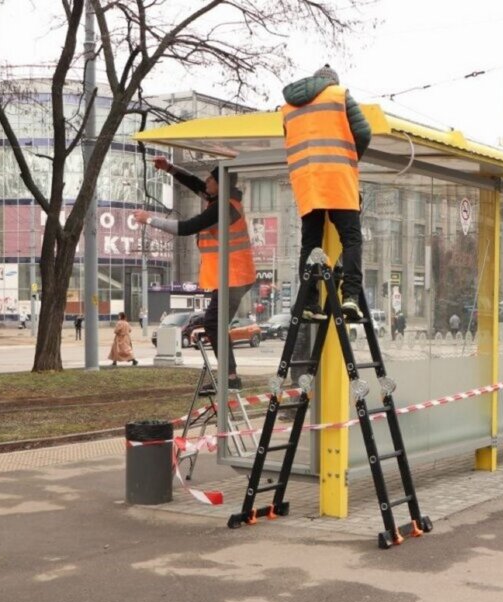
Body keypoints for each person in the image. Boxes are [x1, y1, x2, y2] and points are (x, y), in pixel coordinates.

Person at [134, 160, 255, 391]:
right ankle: (230, 377)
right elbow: (193, 182)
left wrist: (149, 219)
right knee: (214, 323)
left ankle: (231, 379)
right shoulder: (218, 199)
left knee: (213, 323)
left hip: (236, 276)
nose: (206, 182)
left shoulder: (223, 208)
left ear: (221, 184)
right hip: (231, 276)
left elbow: (186, 227)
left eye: (211, 179)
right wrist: (169, 167)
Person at [281, 64, 372, 321]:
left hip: (307, 181)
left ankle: (309, 302)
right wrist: (350, 160)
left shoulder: (288, 107)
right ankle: (351, 297)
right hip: (338, 178)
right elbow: (364, 132)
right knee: (351, 238)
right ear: (331, 82)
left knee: (310, 243)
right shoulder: (339, 94)